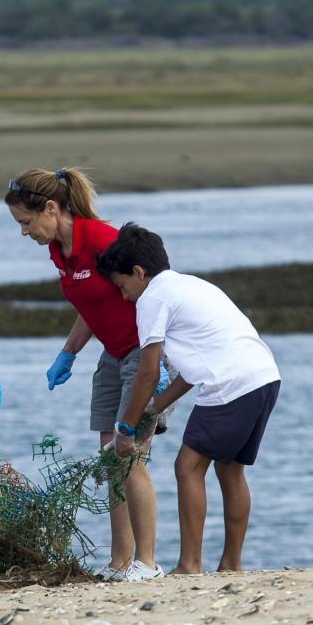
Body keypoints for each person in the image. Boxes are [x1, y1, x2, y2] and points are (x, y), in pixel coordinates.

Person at [5, 166, 165, 582]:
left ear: (52, 208)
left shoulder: (103, 240)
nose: (24, 232)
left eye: (26, 222)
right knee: (111, 459)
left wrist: (161, 363)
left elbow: (155, 292)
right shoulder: (58, 251)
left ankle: (147, 563)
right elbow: (90, 308)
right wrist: (67, 354)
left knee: (131, 457)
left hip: (141, 356)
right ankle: (119, 562)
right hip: (110, 358)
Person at [97, 223, 281, 576]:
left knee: (188, 466)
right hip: (264, 376)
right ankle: (231, 564)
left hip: (230, 384)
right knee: (230, 469)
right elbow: (192, 370)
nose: (124, 297)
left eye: (122, 286)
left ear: (138, 272)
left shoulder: (151, 298)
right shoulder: (190, 284)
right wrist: (156, 406)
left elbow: (147, 373)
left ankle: (189, 565)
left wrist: (124, 429)